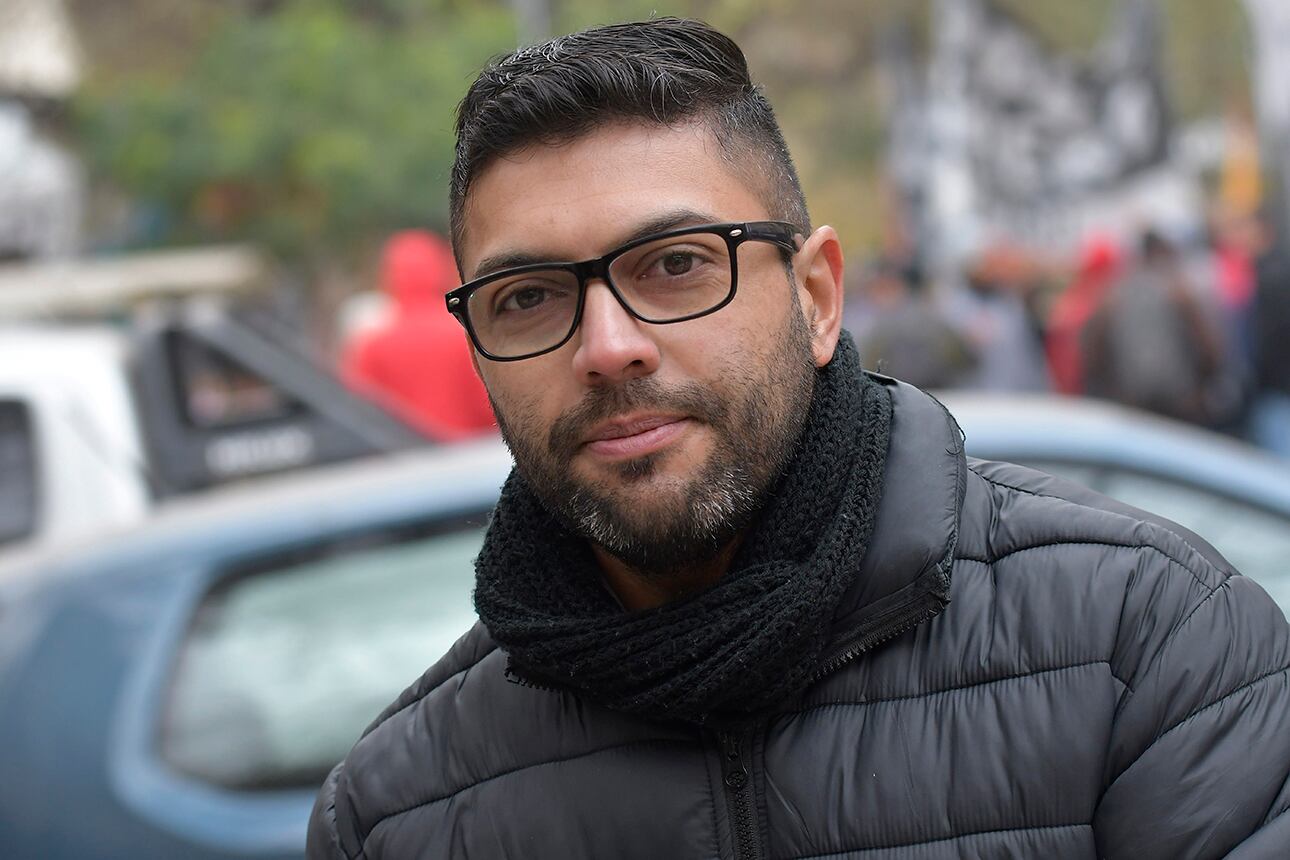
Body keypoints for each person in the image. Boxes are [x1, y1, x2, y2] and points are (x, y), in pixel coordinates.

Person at [308, 19, 1290, 859]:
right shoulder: (396, 810)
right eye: (526, 297)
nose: (608, 347)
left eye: (678, 264)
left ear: (818, 297)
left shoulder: (1149, 644)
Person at [339, 229, 495, 441]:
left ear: (389, 277)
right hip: (467, 456)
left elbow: (359, 416)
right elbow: (489, 406)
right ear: (440, 270)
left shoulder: (373, 346)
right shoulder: (465, 334)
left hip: (404, 462)